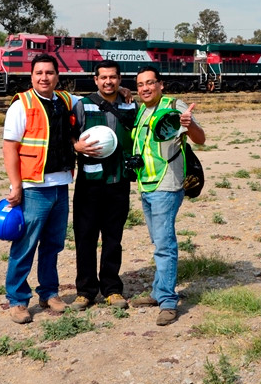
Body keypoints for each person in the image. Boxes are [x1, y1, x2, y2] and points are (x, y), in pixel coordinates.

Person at [2, 54, 75, 324]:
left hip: (60, 185)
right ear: (31, 77)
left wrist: (123, 91)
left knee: (53, 245)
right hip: (33, 188)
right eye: (39, 73)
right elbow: (9, 147)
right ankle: (18, 300)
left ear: (58, 76)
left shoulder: (66, 100)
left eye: (49, 73)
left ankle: (49, 292)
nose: (44, 77)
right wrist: (16, 185)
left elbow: (94, 99)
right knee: (25, 245)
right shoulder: (21, 105)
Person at [130, 65, 205, 326]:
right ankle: (159, 292)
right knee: (158, 241)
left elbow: (200, 138)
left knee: (165, 244)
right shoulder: (141, 110)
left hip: (167, 185)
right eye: (140, 84)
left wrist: (190, 123)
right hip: (146, 185)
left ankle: (168, 302)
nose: (145, 88)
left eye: (150, 83)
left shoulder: (174, 105)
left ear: (161, 84)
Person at [71, 59, 137, 310]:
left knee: (113, 238)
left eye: (113, 77)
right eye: (103, 77)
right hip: (89, 183)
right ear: (95, 79)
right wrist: (74, 146)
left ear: (120, 79)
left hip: (118, 181)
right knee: (85, 237)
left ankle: (112, 288)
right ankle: (85, 291)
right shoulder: (82, 105)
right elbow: (67, 133)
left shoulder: (131, 105)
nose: (108, 81)